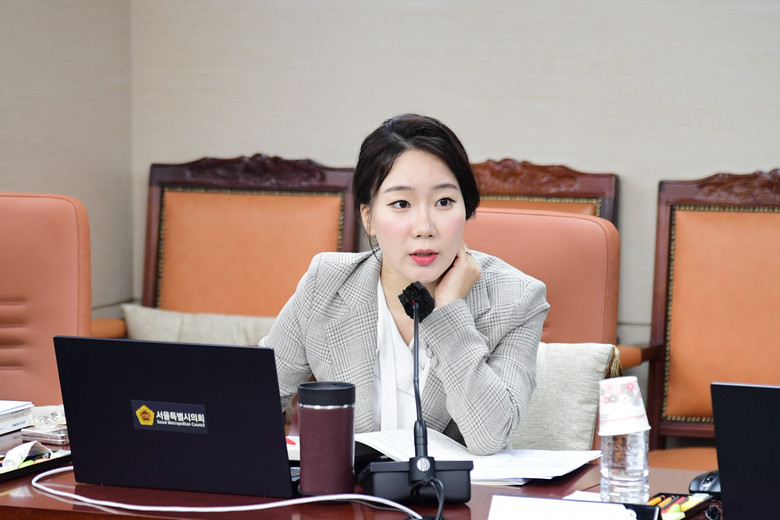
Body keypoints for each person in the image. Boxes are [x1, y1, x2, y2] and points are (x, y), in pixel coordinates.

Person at [261, 114, 549, 455]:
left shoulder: (517, 299)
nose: (424, 227)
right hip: (350, 488)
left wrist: (450, 311)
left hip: (455, 490)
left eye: (444, 202)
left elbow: (489, 438)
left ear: (466, 210)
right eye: (401, 204)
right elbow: (250, 403)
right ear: (368, 218)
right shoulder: (326, 284)